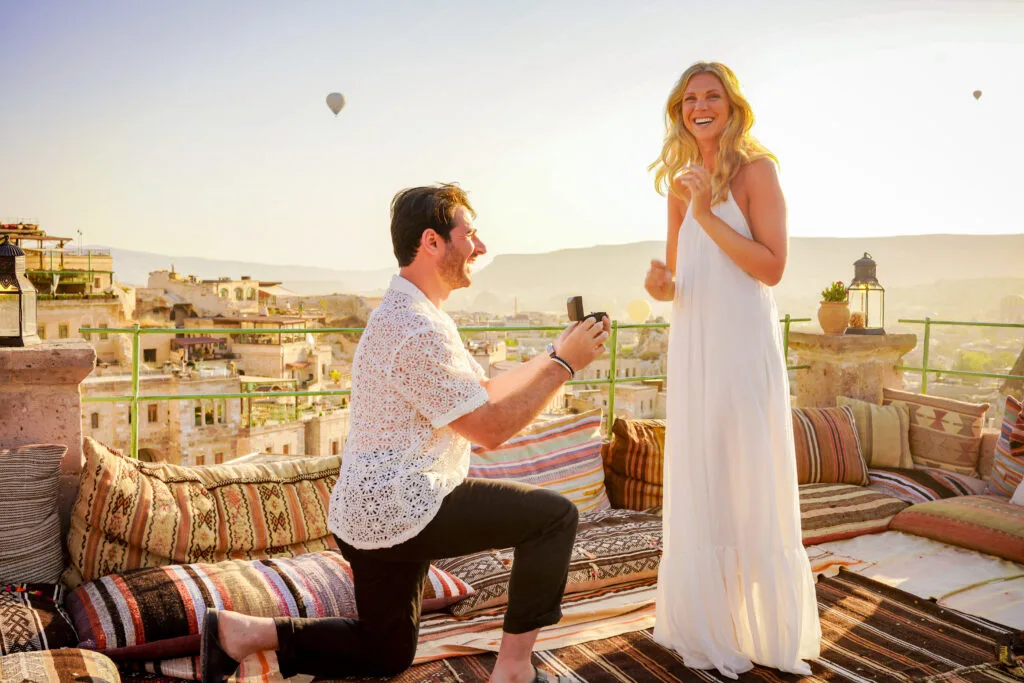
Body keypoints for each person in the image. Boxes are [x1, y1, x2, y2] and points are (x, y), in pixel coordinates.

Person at [200, 183, 610, 683]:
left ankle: (240, 632)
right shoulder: (414, 328)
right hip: (404, 501)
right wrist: (565, 367)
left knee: (385, 652)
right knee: (553, 518)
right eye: (470, 234)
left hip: (374, 509)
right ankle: (514, 671)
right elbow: (489, 429)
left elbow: (479, 391)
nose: (480, 247)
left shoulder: (416, 315)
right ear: (432, 241)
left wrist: (554, 354)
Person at [643, 62, 821, 678]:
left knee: (747, 477)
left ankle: (760, 628)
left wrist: (705, 212)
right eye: (690, 99)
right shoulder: (679, 183)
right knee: (705, 476)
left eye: (711, 95)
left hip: (742, 347)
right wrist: (659, 285)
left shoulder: (757, 171)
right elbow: (678, 280)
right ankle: (708, 624)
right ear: (680, 111)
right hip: (695, 349)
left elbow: (771, 268)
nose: (700, 106)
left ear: (732, 104)